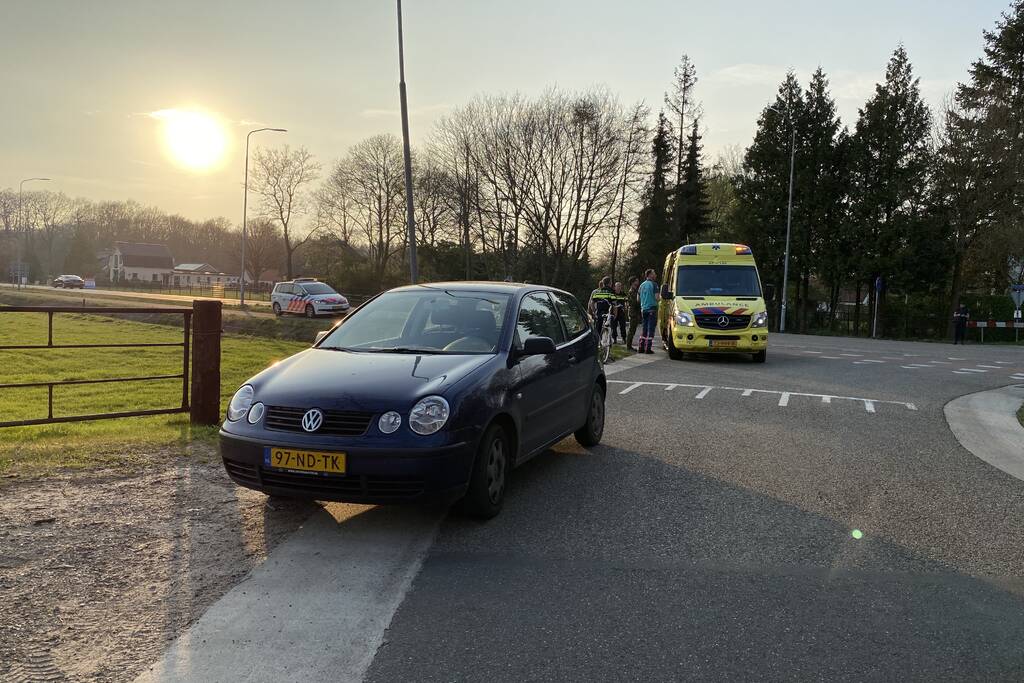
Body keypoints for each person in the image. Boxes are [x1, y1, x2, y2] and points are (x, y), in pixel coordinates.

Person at [588, 275, 617, 342]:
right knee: (610, 327)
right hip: (609, 312)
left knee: (598, 328)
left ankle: (597, 341)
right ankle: (609, 341)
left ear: (603, 283)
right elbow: (615, 304)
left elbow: (591, 303)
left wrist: (594, 311)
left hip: (599, 312)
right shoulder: (611, 292)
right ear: (610, 283)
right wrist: (615, 314)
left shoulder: (598, 292)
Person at [637, 269, 659, 354]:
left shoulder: (641, 285)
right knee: (651, 329)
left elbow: (638, 299)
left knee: (644, 328)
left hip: (644, 309)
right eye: (654, 273)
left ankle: (641, 347)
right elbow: (657, 298)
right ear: (650, 275)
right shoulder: (654, 284)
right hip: (652, 309)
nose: (655, 275)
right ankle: (648, 348)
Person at [626, 276, 641, 351]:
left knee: (633, 329)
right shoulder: (632, 291)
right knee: (631, 330)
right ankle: (628, 346)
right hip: (633, 312)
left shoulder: (635, 290)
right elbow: (634, 302)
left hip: (635, 312)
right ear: (633, 282)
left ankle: (629, 345)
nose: (638, 282)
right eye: (636, 281)